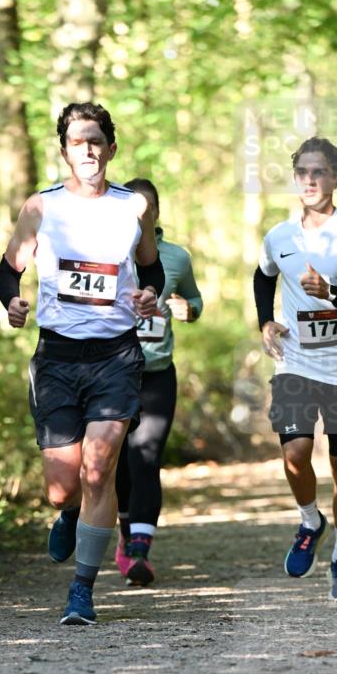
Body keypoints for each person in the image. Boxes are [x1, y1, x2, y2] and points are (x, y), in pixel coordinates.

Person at [0, 102, 164, 625]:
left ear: (111, 147)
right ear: (64, 151)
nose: (86, 149)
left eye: (95, 140)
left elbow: (151, 269)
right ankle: (68, 512)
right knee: (62, 487)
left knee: (99, 468)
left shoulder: (134, 207)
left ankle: (82, 591)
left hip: (116, 354)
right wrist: (12, 302)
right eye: (76, 141)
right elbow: (7, 270)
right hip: (58, 357)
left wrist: (150, 296)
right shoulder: (41, 208)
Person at [254, 137, 337, 601]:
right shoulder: (279, 236)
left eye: (319, 172)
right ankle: (311, 519)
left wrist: (333, 293)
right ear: (295, 179)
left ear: (336, 178)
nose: (310, 181)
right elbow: (263, 274)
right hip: (295, 362)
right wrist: (264, 320)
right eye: (302, 173)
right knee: (294, 454)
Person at [113, 178, 203, 586]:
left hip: (156, 374)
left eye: (146, 211)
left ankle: (139, 551)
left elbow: (195, 300)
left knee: (145, 456)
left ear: (157, 214)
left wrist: (189, 309)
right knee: (114, 466)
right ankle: (124, 531)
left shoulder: (177, 259)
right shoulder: (104, 253)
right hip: (110, 373)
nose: (139, 218)